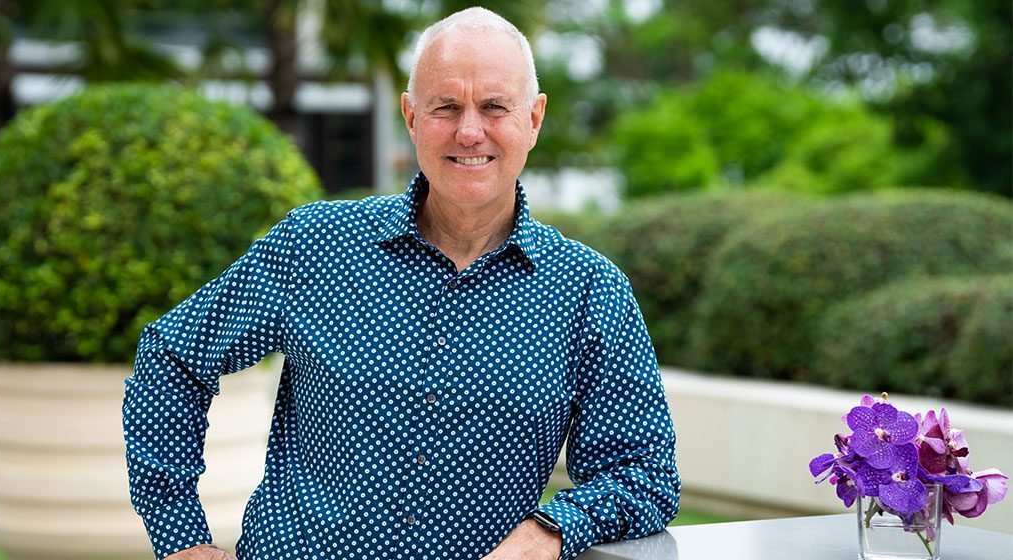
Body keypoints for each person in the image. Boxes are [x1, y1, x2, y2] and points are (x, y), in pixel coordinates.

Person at [123, 7, 679, 560]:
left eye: (494, 106)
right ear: (411, 117)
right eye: (445, 107)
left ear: (533, 120)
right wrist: (182, 540)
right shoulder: (315, 245)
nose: (469, 131)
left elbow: (645, 473)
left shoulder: (589, 291)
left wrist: (547, 532)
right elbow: (171, 356)